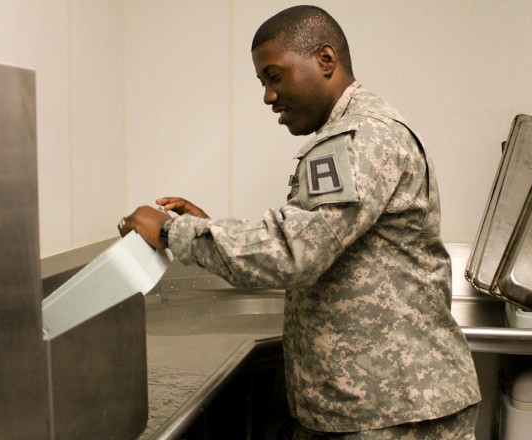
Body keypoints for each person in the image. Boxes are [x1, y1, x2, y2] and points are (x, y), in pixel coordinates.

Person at [119, 5, 481, 439]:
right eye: (263, 82)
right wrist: (210, 227)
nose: (268, 96)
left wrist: (169, 231)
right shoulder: (359, 132)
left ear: (325, 60)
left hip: (393, 415)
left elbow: (294, 253)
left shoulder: (358, 137)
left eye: (274, 76)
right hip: (383, 408)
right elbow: (317, 240)